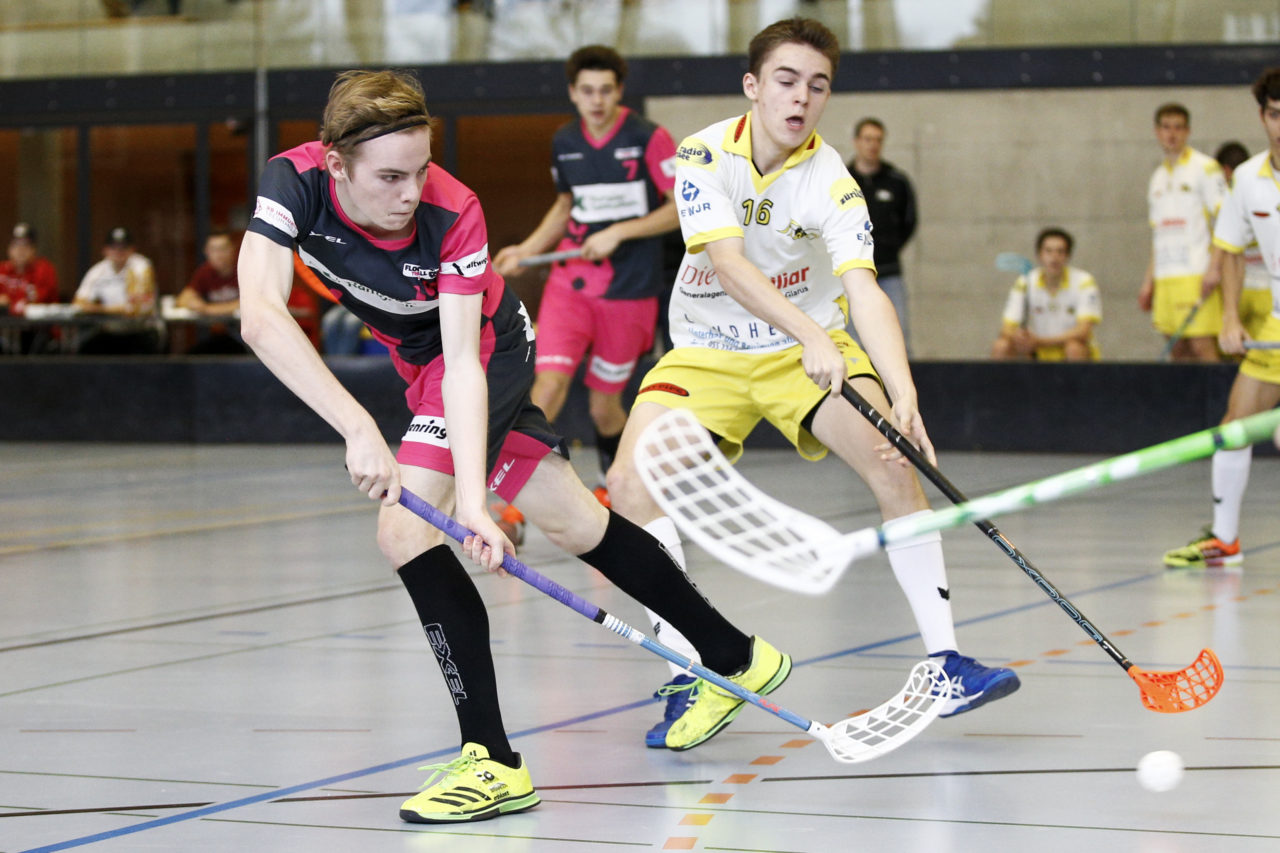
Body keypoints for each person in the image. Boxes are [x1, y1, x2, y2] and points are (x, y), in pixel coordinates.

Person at [237, 69, 789, 825]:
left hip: (483, 351)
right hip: (416, 361)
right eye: (390, 177)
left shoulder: (454, 211)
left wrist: (472, 505)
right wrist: (357, 426)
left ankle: (492, 760)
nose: (410, 192)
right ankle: (733, 653)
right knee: (573, 520)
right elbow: (261, 314)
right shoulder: (292, 184)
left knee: (405, 529)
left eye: (420, 170)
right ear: (336, 164)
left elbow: (464, 362)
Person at [606, 17, 1020, 750]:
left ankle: (947, 664)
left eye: (818, 85)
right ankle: (693, 668)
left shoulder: (834, 179)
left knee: (895, 463)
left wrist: (903, 390)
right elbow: (729, 264)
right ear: (753, 86)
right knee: (629, 487)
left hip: (806, 351)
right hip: (707, 351)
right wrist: (809, 334)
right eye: (787, 80)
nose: (801, 97)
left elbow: (864, 289)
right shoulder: (702, 154)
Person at [492, 45, 679, 536]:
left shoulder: (649, 138)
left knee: (603, 406)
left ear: (619, 92)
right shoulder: (565, 141)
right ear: (573, 93)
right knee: (547, 388)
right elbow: (565, 206)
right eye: (587, 91)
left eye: (606, 91)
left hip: (629, 293)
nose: (597, 101)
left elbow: (682, 207)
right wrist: (527, 249)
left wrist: (621, 231)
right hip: (571, 286)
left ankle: (613, 485)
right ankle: (513, 509)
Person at [1163, 69, 1280, 568]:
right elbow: (1230, 248)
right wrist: (1231, 318)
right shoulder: (1248, 179)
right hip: (1277, 321)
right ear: (1262, 116)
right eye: (1274, 115)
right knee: (1236, 426)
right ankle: (1225, 540)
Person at [1138, 103, 1229, 362]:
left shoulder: (1205, 167)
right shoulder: (1157, 177)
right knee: (1178, 352)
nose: (1172, 134)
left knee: (1202, 347)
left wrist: (1215, 268)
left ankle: (1219, 392)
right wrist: (1149, 281)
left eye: (1178, 128)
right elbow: (1158, 235)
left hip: (1196, 273)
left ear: (1187, 131)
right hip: (1166, 278)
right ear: (1157, 131)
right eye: (1166, 127)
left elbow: (1226, 220)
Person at [846, 118, 916, 350]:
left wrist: (887, 248)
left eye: (878, 140)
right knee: (852, 340)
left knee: (898, 337)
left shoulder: (897, 181)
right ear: (857, 142)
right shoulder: (843, 180)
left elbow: (909, 222)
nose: (872, 145)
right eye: (868, 139)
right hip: (852, 272)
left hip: (888, 272)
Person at [990, 227, 1101, 361]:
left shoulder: (1084, 281)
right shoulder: (1025, 281)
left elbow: (1083, 331)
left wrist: (1041, 341)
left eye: (1060, 252)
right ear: (1039, 255)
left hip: (1066, 348)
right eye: (1048, 251)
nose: (1054, 257)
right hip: (1035, 350)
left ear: (1068, 256)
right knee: (1001, 346)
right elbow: (1007, 328)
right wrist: (1020, 338)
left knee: (1074, 348)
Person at [1211, 141, 1272, 341]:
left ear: (1225, 171)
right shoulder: (1258, 190)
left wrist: (1213, 269)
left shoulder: (1229, 198)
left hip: (1245, 289)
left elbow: (1224, 244)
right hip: (1258, 288)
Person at [72, 226, 159, 354]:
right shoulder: (98, 270)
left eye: (123, 247)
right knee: (85, 350)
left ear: (132, 249)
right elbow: (78, 303)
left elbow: (135, 309)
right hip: (110, 332)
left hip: (140, 331)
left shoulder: (141, 266)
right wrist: (113, 310)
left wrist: (99, 309)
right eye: (114, 247)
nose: (118, 251)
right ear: (105, 250)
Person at [176, 230, 246, 354]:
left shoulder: (243, 268)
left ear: (232, 249)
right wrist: (194, 302)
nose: (219, 255)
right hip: (214, 336)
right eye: (213, 250)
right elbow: (183, 299)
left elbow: (249, 303)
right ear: (206, 252)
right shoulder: (204, 272)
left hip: (246, 338)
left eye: (223, 249)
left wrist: (207, 309)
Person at [0, 222, 59, 316]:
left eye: (26, 245)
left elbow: (36, 303)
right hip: (6, 324)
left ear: (34, 249)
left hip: (39, 324)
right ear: (9, 249)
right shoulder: (2, 269)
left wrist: (9, 304)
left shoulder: (44, 269)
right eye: (15, 245)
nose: (20, 250)